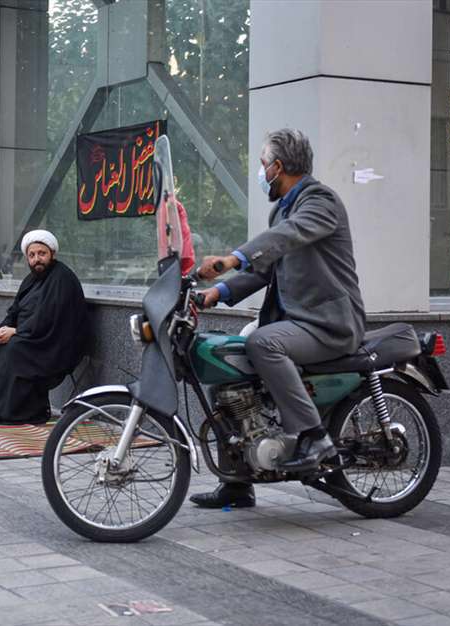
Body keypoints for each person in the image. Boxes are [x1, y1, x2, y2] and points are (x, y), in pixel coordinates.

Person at [191, 128, 366, 509]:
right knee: (222, 364)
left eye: (261, 165)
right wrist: (214, 294)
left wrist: (232, 257)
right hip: (298, 323)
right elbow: (264, 268)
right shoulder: (281, 208)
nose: (261, 172)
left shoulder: (320, 202)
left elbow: (287, 237)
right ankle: (237, 483)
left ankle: (313, 434)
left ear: (278, 167)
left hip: (329, 324)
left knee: (261, 342)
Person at [0, 230, 90, 425]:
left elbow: (49, 317)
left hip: (55, 343)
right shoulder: (30, 280)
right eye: (32, 255)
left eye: (42, 253)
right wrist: (3, 329)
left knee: (15, 347)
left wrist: (16, 332)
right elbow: (15, 310)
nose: (37, 259)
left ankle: (18, 412)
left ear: (52, 254)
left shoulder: (62, 278)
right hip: (32, 336)